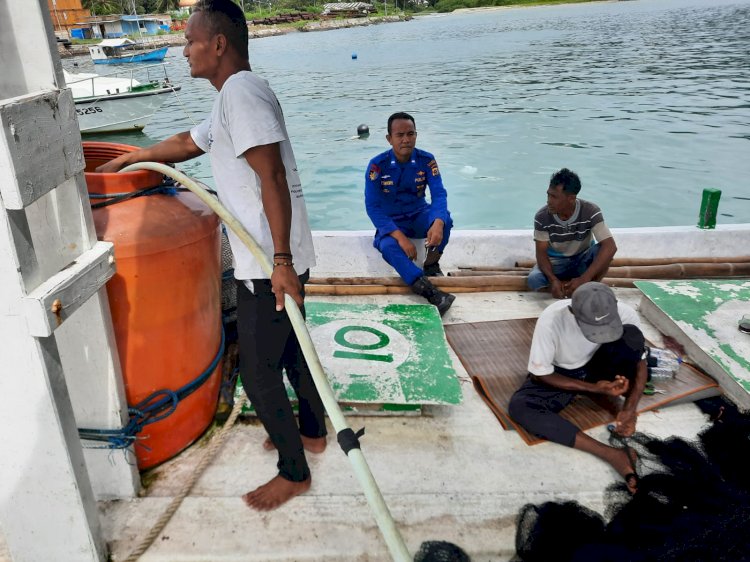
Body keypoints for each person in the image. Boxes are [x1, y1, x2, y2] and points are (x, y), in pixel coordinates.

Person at [95, 0, 327, 511]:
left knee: (259, 374)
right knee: (292, 353)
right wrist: (137, 156)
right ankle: (312, 432)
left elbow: (272, 179)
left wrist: (281, 263)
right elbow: (188, 142)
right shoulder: (233, 97)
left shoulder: (241, 95)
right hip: (277, 258)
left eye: (190, 41)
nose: (184, 51)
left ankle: (295, 471)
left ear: (218, 44)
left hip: (268, 263)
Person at [508, 282, 648, 494]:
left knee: (632, 337)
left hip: (601, 364)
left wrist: (631, 409)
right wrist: (595, 389)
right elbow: (541, 374)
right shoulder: (551, 320)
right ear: (572, 311)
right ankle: (612, 454)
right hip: (565, 373)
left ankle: (614, 396)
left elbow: (641, 362)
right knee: (521, 407)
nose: (601, 332)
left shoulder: (625, 313)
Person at [365, 112, 456, 315]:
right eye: (399, 135)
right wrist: (400, 238)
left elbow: (439, 194)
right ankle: (429, 291)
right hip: (392, 222)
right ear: (389, 139)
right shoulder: (377, 166)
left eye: (410, 134)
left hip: (418, 214)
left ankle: (431, 265)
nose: (406, 139)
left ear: (416, 135)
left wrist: (438, 222)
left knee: (446, 219)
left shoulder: (427, 160)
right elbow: (372, 207)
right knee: (388, 246)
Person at [528, 168, 617, 299]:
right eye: (548, 195)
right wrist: (552, 279)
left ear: (571, 198)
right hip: (556, 264)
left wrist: (584, 278)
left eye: (554, 197)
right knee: (534, 279)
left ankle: (587, 286)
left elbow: (611, 247)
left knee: (604, 252)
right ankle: (563, 288)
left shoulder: (591, 211)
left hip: (582, 259)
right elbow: (541, 254)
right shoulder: (542, 217)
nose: (548, 201)